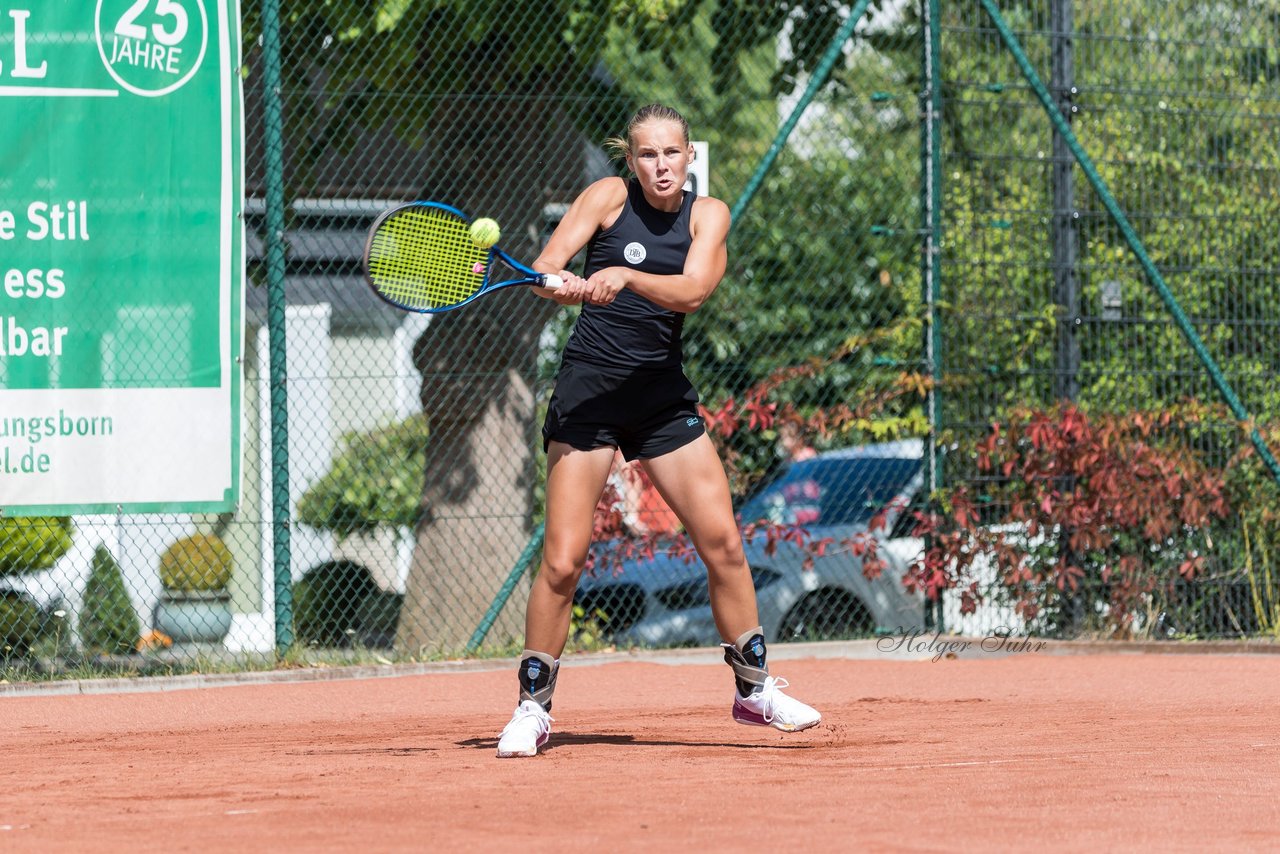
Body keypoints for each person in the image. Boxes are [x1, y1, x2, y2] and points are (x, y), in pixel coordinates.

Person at [495, 104, 822, 758]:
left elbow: (694, 290)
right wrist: (561, 286)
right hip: (589, 394)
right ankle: (533, 708)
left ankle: (753, 693)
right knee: (562, 560)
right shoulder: (607, 199)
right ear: (631, 160)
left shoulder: (709, 215)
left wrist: (625, 276)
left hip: (660, 398)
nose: (661, 165)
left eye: (672, 153)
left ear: (688, 156)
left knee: (724, 543)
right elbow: (550, 265)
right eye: (648, 154)